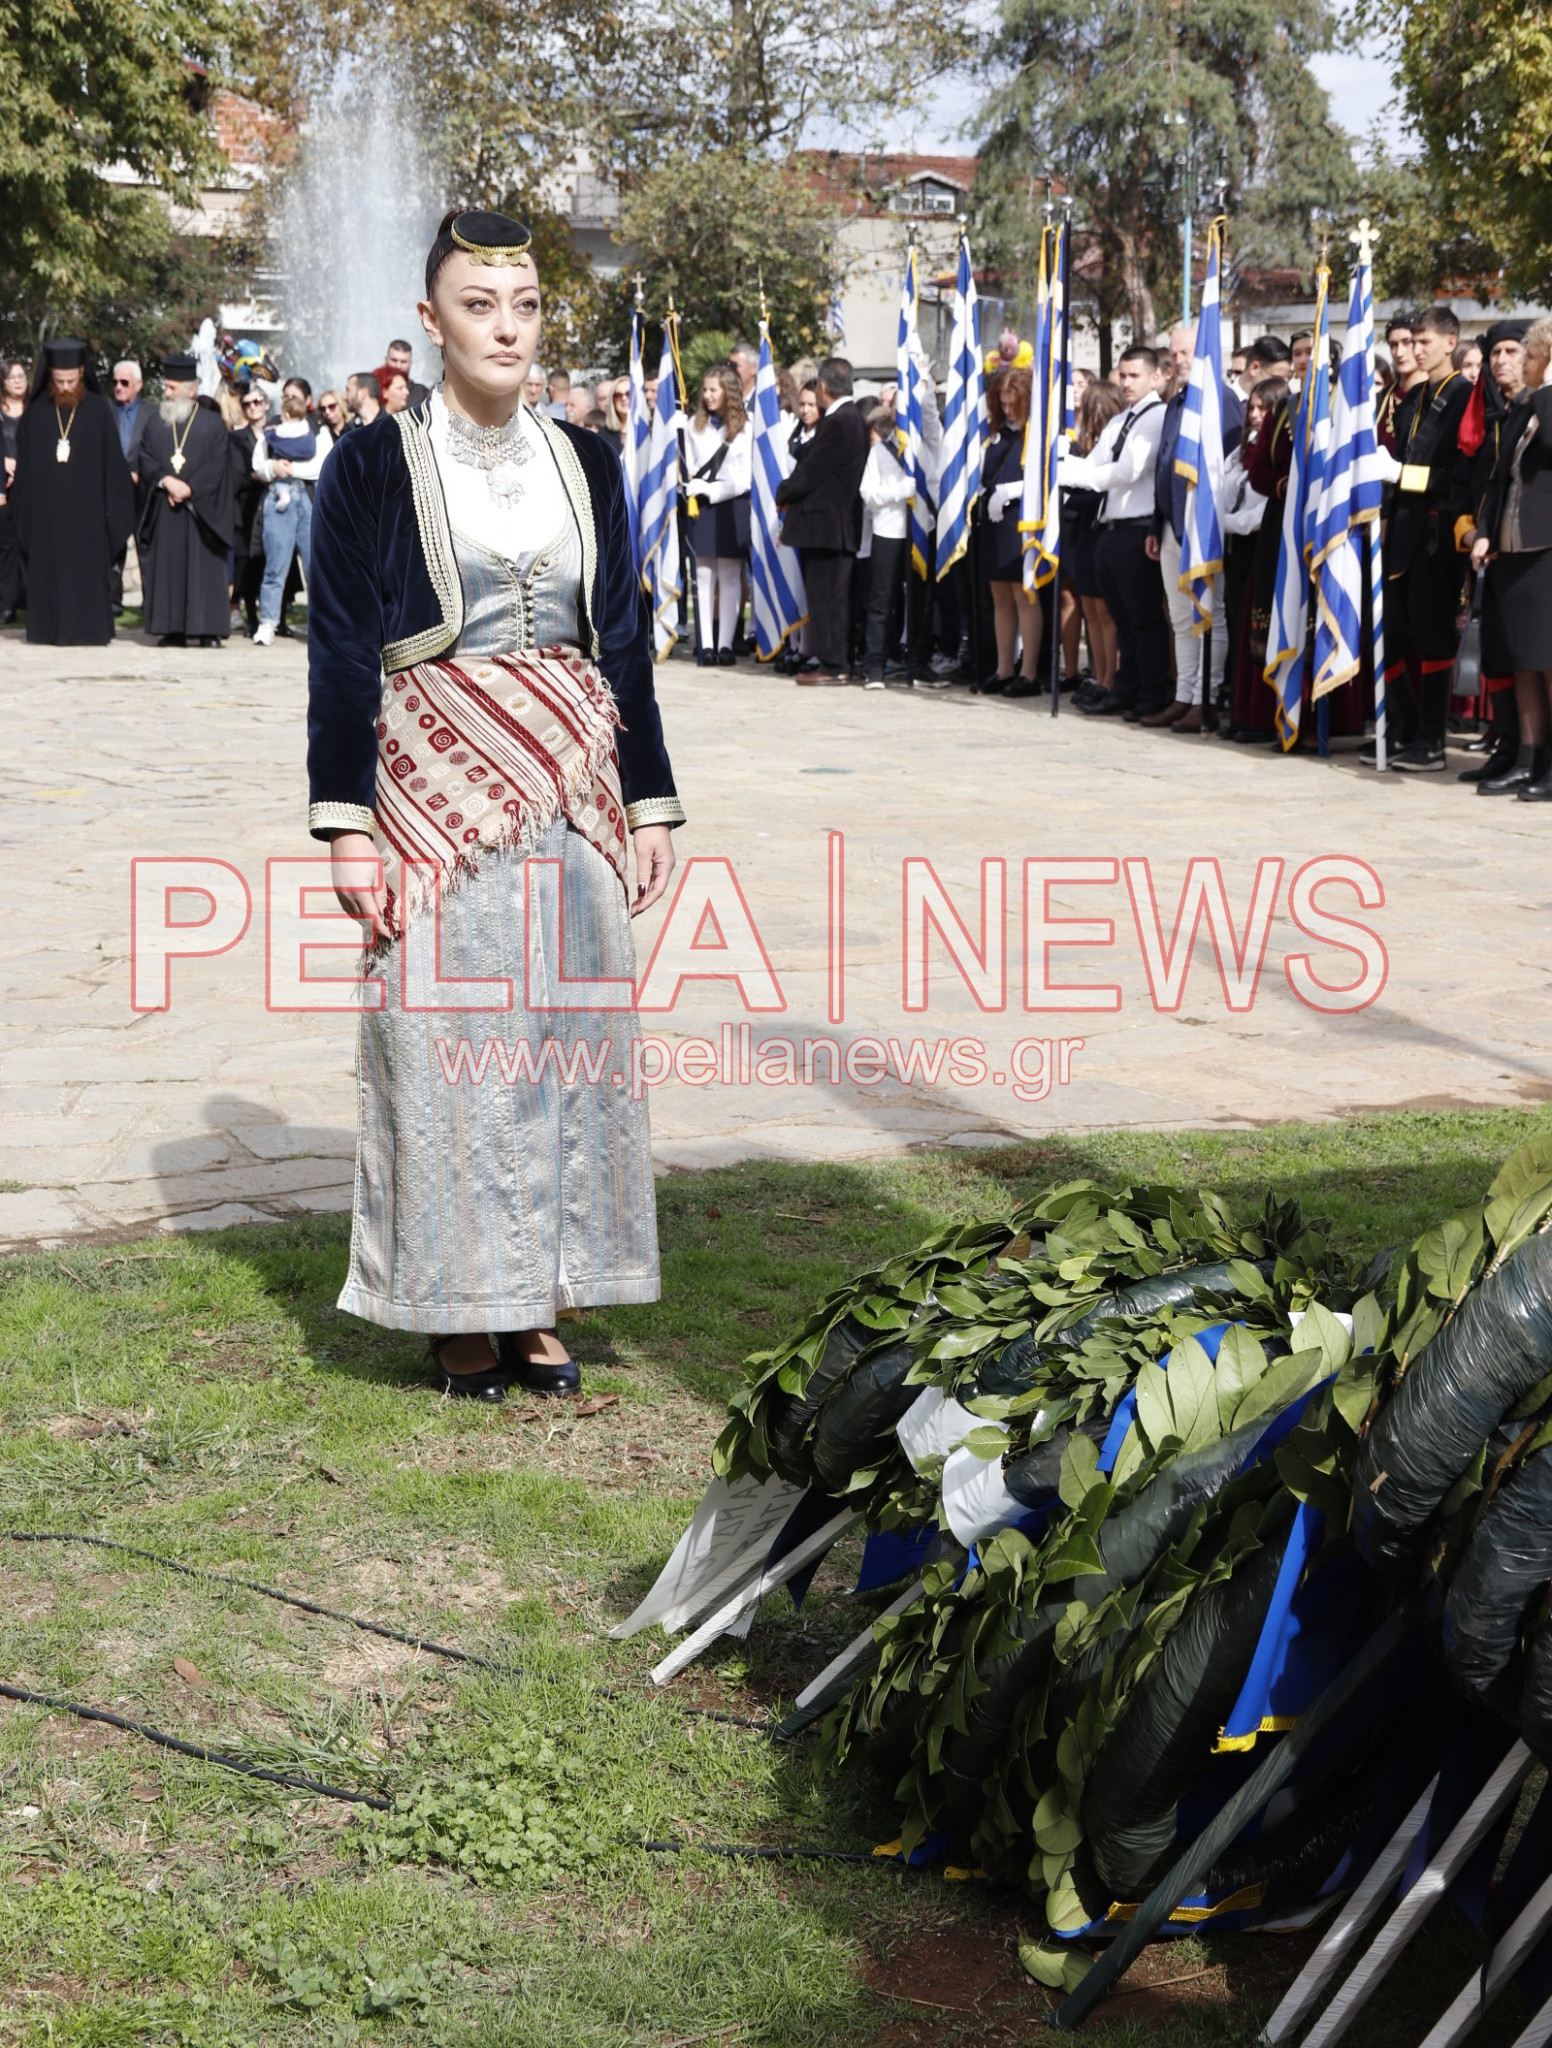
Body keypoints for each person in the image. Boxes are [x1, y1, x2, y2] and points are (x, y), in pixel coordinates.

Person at [307, 205, 682, 1400]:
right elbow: (340, 650)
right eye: (479, 304)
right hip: (433, 788)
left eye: (522, 305)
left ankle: (542, 1303)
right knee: (447, 1047)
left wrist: (652, 800)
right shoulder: (371, 461)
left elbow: (624, 639)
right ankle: (459, 1310)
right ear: (431, 321)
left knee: (567, 1049)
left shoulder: (591, 459)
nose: (506, 326)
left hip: (569, 785)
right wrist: (347, 822)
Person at [1382, 304, 1473, 770]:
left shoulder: (1464, 396)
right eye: (1410, 342)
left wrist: (1402, 475)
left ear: (1449, 344)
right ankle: (1407, 726)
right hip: (1402, 533)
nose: (1414, 350)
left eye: (1423, 342)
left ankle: (1432, 742)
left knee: (1432, 637)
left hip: (1436, 535)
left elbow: (1457, 476)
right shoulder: (1415, 398)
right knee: (1388, 635)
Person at [1467, 317, 1552, 799]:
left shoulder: (1545, 402)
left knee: (1549, 662)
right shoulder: (1524, 408)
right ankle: (1529, 756)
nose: (1525, 364)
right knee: (1525, 662)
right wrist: (1483, 533)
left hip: (1547, 552)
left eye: (1531, 355)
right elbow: (1501, 479)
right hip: (1515, 549)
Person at [1146, 323, 1244, 732]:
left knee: (1211, 613)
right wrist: (1156, 522)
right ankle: (1184, 693)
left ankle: (1206, 697)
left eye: (1186, 353)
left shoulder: (1221, 399)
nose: (1178, 361)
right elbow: (1164, 464)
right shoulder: (1176, 401)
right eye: (1174, 354)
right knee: (1181, 615)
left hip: (1202, 526)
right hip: (1171, 522)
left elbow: (1228, 465)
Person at [1063, 344, 1169, 719]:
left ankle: (1152, 693)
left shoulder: (1156, 417)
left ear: (1156, 377)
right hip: (1110, 527)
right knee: (1123, 619)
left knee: (1143, 618)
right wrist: (1059, 468)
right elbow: (1093, 463)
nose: (1125, 383)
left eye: (1134, 375)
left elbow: (1130, 470)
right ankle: (1127, 688)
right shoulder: (1120, 420)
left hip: (1137, 528)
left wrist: (1083, 476)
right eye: (1122, 375)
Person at [11, 339, 134, 645]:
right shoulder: (37, 412)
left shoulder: (97, 410)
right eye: (59, 381)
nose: (65, 387)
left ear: (82, 372)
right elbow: (25, 472)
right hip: (46, 516)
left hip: (88, 516)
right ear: (49, 376)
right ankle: (47, 630)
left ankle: (89, 630)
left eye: (71, 380)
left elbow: (113, 468)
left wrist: (114, 513)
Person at [774, 355, 869, 683]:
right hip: (835, 524)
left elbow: (811, 471)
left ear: (824, 387)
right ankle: (836, 660)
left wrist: (782, 493)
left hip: (827, 525)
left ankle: (834, 664)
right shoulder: (852, 417)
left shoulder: (838, 421)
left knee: (826, 597)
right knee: (831, 595)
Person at [136, 353, 238, 647]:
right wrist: (167, 481)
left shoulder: (212, 424)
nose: (166, 392)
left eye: (171, 387)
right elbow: (145, 457)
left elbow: (219, 463)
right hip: (166, 508)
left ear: (191, 390)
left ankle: (208, 631)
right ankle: (173, 630)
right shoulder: (155, 423)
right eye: (166, 386)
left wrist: (189, 488)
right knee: (169, 568)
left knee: (203, 569)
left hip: (201, 511)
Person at [252, 377, 334, 645]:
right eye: (285, 396)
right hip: (279, 498)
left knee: (315, 568)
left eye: (294, 396)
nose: (289, 400)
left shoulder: (318, 429)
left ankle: (320, 626)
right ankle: (268, 622)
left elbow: (322, 465)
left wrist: (290, 469)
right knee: (275, 565)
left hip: (308, 498)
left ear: (306, 401)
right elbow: (258, 463)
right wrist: (272, 469)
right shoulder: (273, 429)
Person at [980, 366, 1044, 694]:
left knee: (1024, 594)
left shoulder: (1038, 431)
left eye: (1012, 404)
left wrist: (1011, 491)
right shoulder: (998, 432)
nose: (1007, 410)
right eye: (1002, 403)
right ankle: (1004, 667)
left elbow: (1045, 473)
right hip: (993, 521)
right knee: (1000, 595)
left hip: (1022, 517)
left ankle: (1029, 672)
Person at [683, 362, 752, 666]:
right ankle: (706, 644)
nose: (708, 395)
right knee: (703, 574)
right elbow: (686, 464)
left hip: (731, 503)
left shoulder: (744, 427)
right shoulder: (691, 425)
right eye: (706, 390)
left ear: (729, 391)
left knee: (729, 575)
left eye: (714, 389)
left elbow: (745, 475)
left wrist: (715, 489)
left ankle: (725, 644)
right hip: (702, 506)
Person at [1064, 380, 1122, 700]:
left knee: (1106, 611)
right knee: (1090, 608)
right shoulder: (1082, 444)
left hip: (1105, 527)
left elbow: (1101, 489)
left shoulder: (1115, 444)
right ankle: (1099, 676)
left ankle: (1111, 679)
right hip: (1084, 532)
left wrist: (1073, 493)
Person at [230, 386, 271, 636]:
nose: (253, 406)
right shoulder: (236, 438)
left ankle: (274, 618)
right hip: (247, 505)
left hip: (274, 503)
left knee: (273, 561)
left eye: (257, 401)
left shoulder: (278, 431)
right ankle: (252, 617)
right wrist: (261, 475)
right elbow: (238, 474)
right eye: (247, 404)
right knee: (247, 561)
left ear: (266, 404)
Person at [0, 357, 27, 623]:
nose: (18, 381)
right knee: (7, 547)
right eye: (12, 377)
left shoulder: (36, 409)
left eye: (21, 376)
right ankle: (8, 604)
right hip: (5, 489)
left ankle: (31, 599)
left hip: (32, 486)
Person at [384, 338, 430, 408]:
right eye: (394, 360)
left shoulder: (420, 393)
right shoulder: (373, 389)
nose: (398, 366)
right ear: (386, 360)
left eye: (403, 362)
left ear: (410, 363)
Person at [789, 382, 820, 461]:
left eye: (811, 405)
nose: (805, 410)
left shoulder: (824, 438)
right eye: (802, 404)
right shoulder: (792, 434)